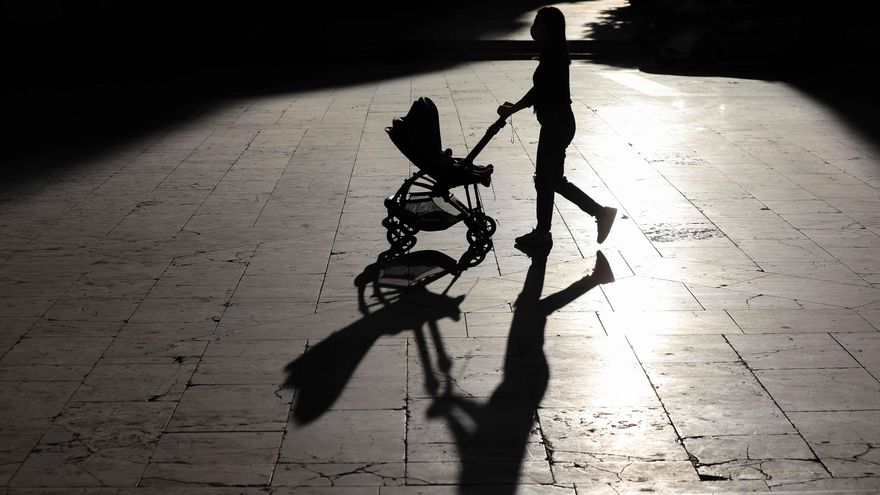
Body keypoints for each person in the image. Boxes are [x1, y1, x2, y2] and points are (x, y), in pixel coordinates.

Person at [497, 6, 617, 247]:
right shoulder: (553, 54)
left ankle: (593, 216)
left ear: (548, 28)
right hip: (556, 122)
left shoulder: (554, 57)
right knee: (550, 180)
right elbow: (539, 91)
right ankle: (593, 216)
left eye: (538, 23)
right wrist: (516, 106)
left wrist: (514, 109)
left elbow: (539, 92)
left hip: (557, 123)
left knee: (547, 179)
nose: (534, 28)